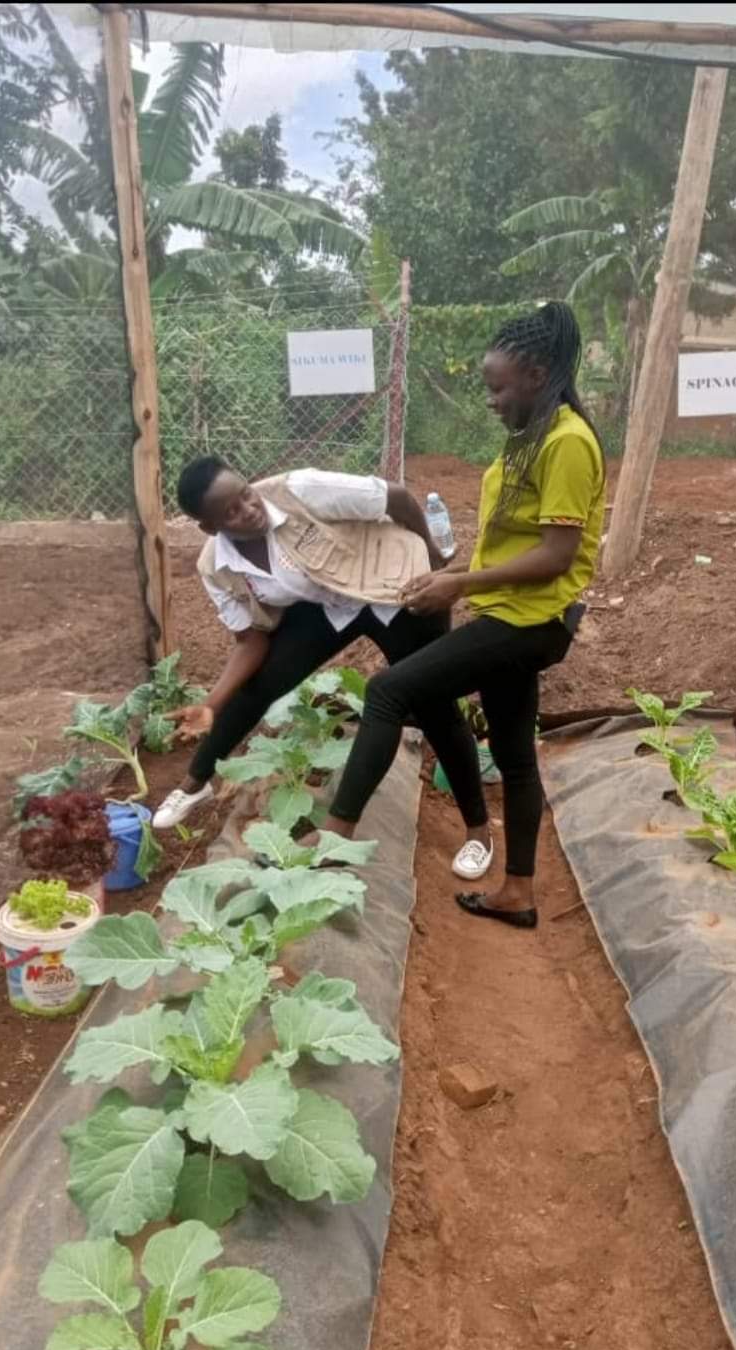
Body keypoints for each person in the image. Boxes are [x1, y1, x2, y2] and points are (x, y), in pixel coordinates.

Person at [308, 302, 606, 929]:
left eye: (498, 387)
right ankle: (518, 892)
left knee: (389, 691)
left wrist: (460, 586)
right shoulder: (530, 441)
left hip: (531, 621)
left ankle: (330, 849)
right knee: (516, 751)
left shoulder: (568, 443)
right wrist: (451, 574)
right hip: (512, 611)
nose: (492, 400)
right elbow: (512, 541)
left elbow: (556, 556)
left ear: (537, 372)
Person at [154, 458, 494, 878]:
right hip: (330, 603)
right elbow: (251, 641)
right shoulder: (216, 566)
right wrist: (211, 703)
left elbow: (398, 498)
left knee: (434, 708)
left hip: (398, 587)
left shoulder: (300, 489)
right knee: (259, 682)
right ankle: (195, 782)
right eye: (231, 512)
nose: (249, 508)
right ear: (209, 527)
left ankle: (479, 831)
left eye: (245, 493)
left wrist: (435, 562)